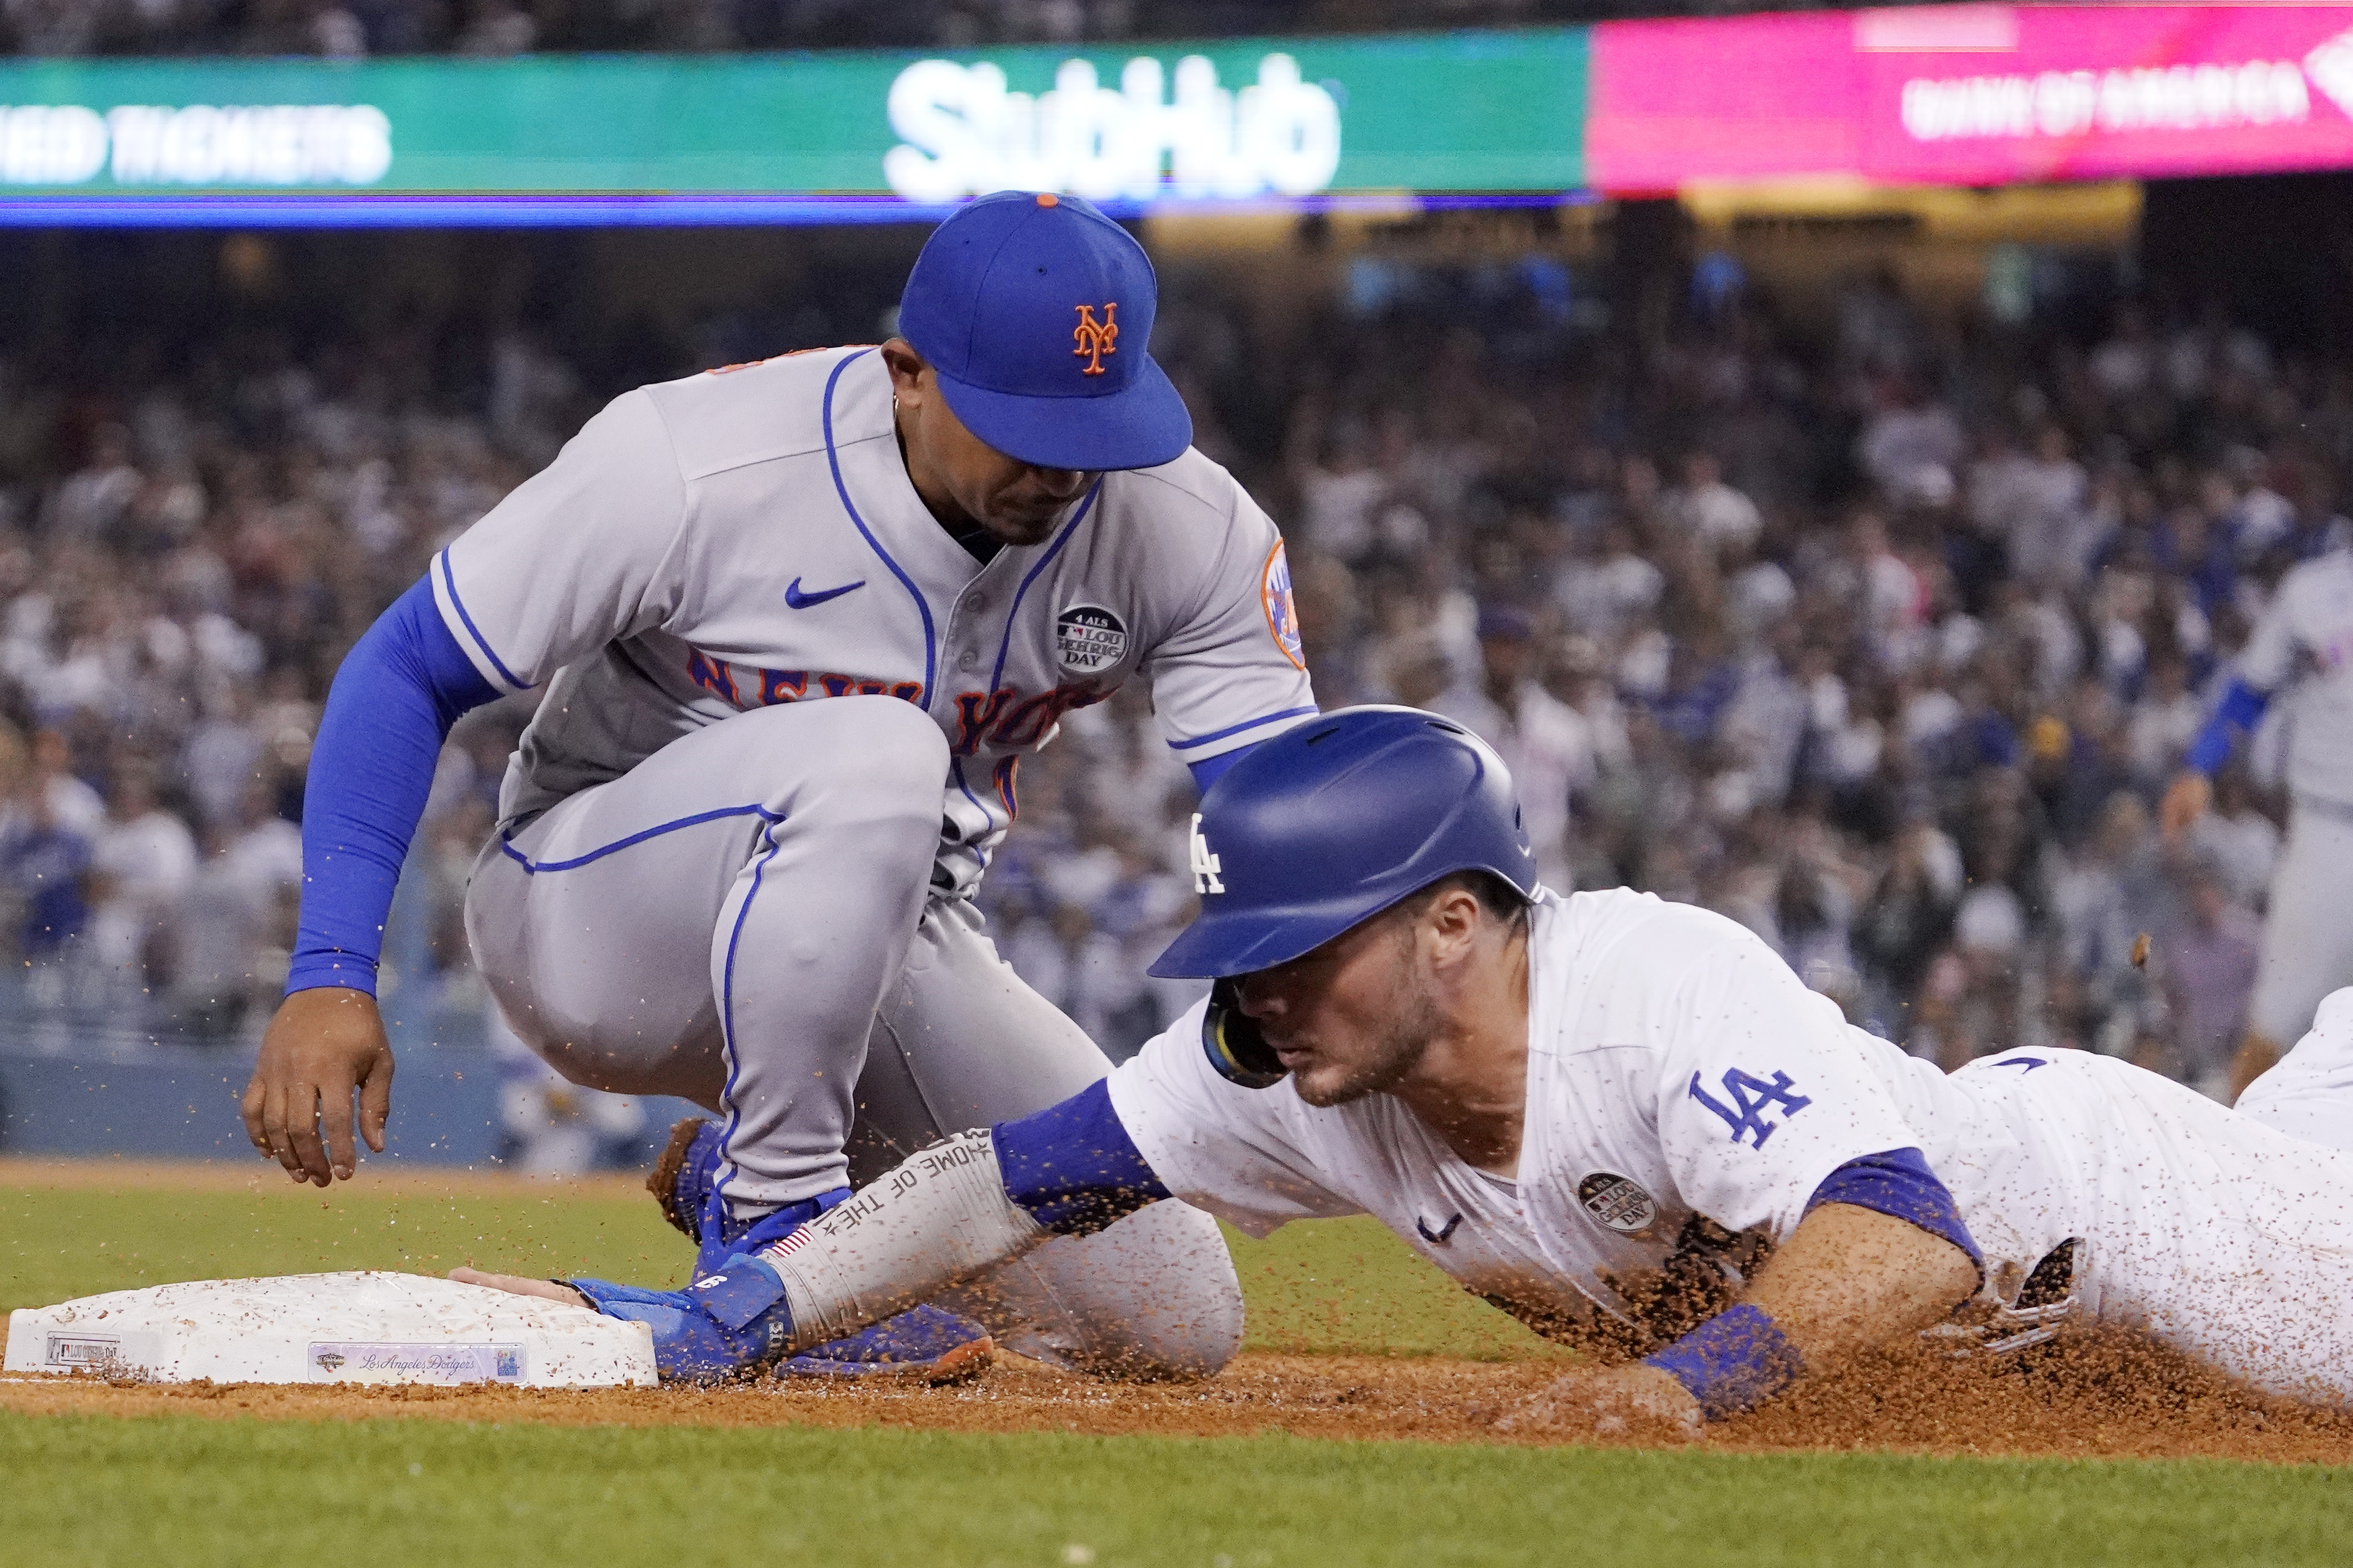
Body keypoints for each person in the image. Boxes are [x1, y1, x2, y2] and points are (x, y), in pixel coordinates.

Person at [463, 707, 2353, 1428]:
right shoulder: (1287, 1067)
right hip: (2030, 1282)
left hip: (2123, 1220)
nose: (1260, 991)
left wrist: (1676, 1397)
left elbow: (1903, 1231)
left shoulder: (1649, 993)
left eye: (1303, 944)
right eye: (1243, 954)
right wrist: (754, 1306)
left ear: (1454, 923)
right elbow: (1000, 1178)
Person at [243, 191, 1321, 1380]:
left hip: (881, 942)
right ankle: (773, 1237)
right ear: (908, 373)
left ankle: (742, 1181)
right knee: (881, 750)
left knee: (1173, 1324)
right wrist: (331, 974)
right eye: (1026, 427)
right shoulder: (698, 459)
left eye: (1096, 429)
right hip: (595, 916)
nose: (1067, 469)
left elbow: (1278, 809)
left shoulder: (1189, 528)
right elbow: (405, 667)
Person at [2162, 539, 2353, 1098]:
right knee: (2278, 1016)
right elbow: (2249, 689)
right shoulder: (2313, 592)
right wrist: (2199, 767)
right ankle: (2233, 1157)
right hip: (2329, 830)